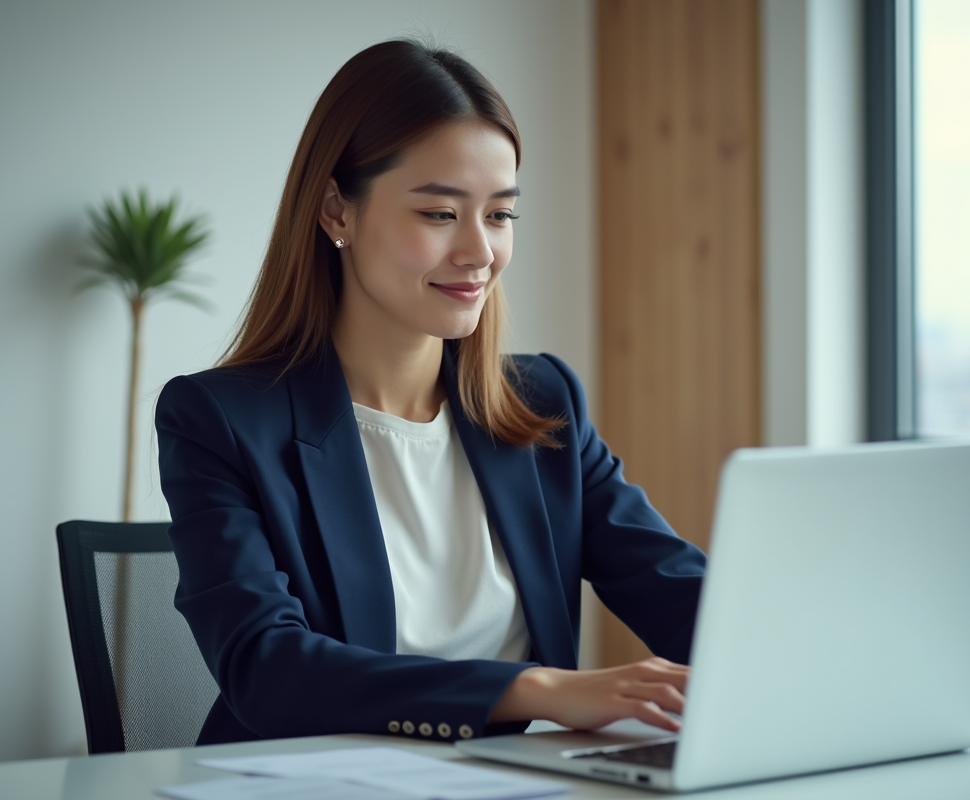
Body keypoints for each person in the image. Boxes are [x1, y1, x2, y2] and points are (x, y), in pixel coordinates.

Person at [156, 39, 707, 747]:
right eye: (440, 214)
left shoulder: (543, 403)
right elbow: (268, 670)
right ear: (336, 212)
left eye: (501, 215)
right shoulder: (221, 420)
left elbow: (676, 591)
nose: (480, 251)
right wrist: (536, 690)